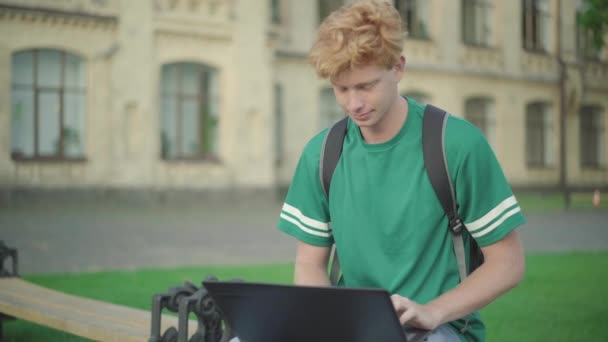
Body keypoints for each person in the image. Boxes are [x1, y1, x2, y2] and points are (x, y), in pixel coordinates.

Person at [277, 1, 526, 341]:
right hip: (352, 331)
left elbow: (508, 263)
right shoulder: (320, 155)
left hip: (439, 330)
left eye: (366, 86)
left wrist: (433, 311)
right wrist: (328, 324)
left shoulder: (456, 144)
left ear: (398, 68)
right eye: (341, 88)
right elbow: (309, 265)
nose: (354, 104)